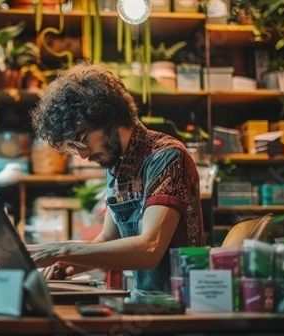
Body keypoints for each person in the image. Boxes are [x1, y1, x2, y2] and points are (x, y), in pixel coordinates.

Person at [28, 61, 205, 292]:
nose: (82, 154)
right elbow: (109, 239)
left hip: (182, 304)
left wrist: (58, 251)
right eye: (74, 146)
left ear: (109, 117)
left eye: (82, 138)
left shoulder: (166, 157)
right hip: (148, 300)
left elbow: (149, 250)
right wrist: (69, 265)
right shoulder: (115, 166)